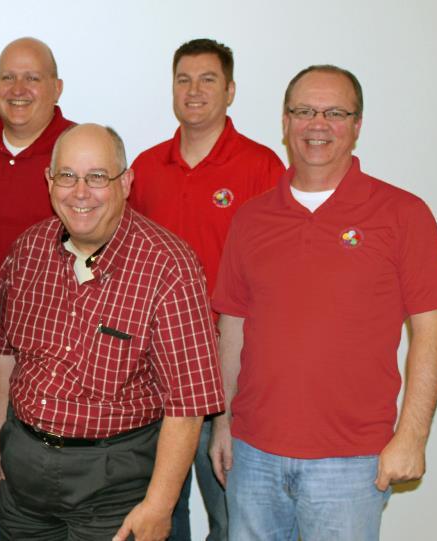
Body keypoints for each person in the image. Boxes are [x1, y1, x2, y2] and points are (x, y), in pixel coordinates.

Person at [210, 65, 437, 541]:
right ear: (285, 121)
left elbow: (431, 331)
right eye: (304, 111)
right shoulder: (251, 218)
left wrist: (412, 436)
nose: (317, 124)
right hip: (253, 455)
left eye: (335, 112)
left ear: (357, 125)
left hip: (352, 461)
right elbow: (232, 327)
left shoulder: (403, 214)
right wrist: (222, 423)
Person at [0, 123, 225, 541]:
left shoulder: (169, 267)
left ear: (126, 182)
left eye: (97, 177)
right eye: (67, 176)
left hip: (115, 490)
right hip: (23, 489)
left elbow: (188, 403)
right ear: (49, 181)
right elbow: (4, 353)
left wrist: (159, 504)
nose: (80, 192)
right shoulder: (27, 251)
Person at [129, 38, 284, 541]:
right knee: (160, 515)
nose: (194, 91)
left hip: (231, 370)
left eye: (208, 79)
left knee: (231, 517)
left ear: (231, 90)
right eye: (183, 79)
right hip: (157, 371)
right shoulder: (145, 169)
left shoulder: (262, 168)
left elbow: (279, 276)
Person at [0, 37, 74, 540]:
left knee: (65, 487)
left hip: (64, 359)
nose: (18, 89)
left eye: (32, 77)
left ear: (57, 87)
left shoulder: (78, 150)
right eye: (7, 77)